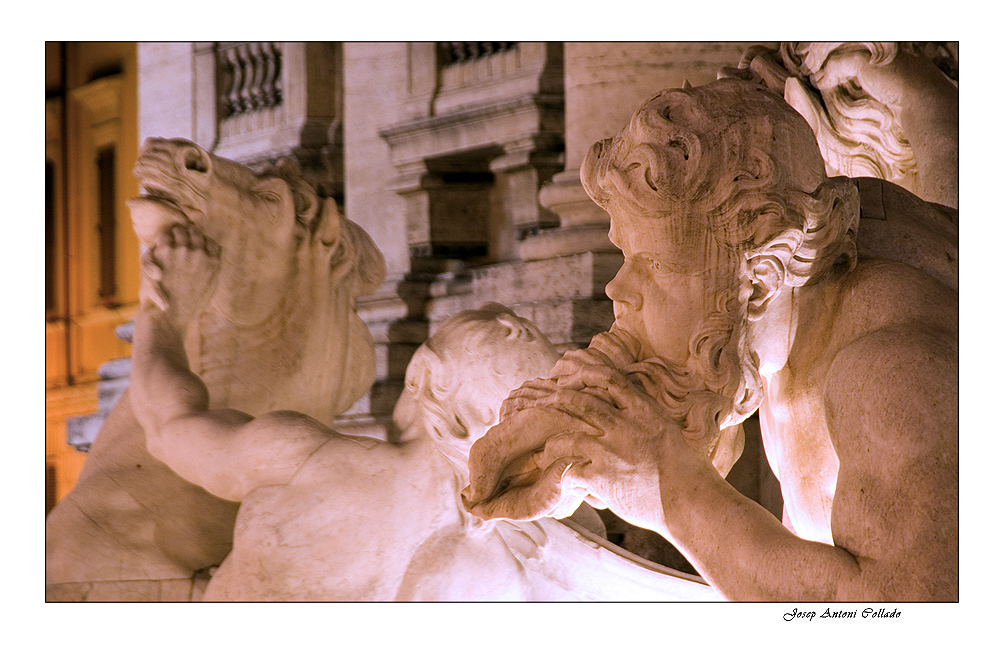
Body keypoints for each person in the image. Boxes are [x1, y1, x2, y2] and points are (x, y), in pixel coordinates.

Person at [466, 78, 957, 601]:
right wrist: (579, 446)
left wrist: (665, 485)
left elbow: (895, 614)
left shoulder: (890, 373)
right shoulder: (771, 333)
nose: (617, 288)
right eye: (626, 257)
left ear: (762, 276)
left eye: (653, 264)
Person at [130, 225, 594, 600]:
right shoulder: (525, 565)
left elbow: (165, 425)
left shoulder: (304, 461)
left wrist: (163, 314)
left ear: (424, 378)